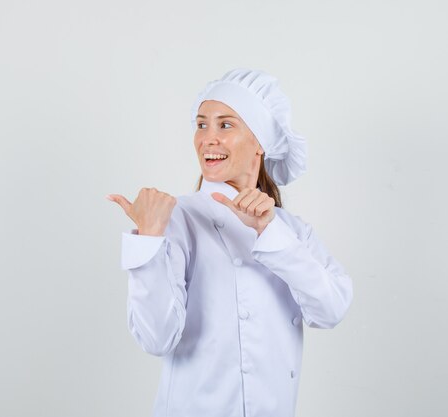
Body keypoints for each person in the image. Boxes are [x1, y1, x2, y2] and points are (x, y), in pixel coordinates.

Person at [106, 68, 353, 417]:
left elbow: (330, 310)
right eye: (201, 124)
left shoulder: (291, 231)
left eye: (225, 125)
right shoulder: (178, 218)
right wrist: (148, 240)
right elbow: (156, 338)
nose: (208, 138)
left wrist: (270, 234)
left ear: (261, 144)